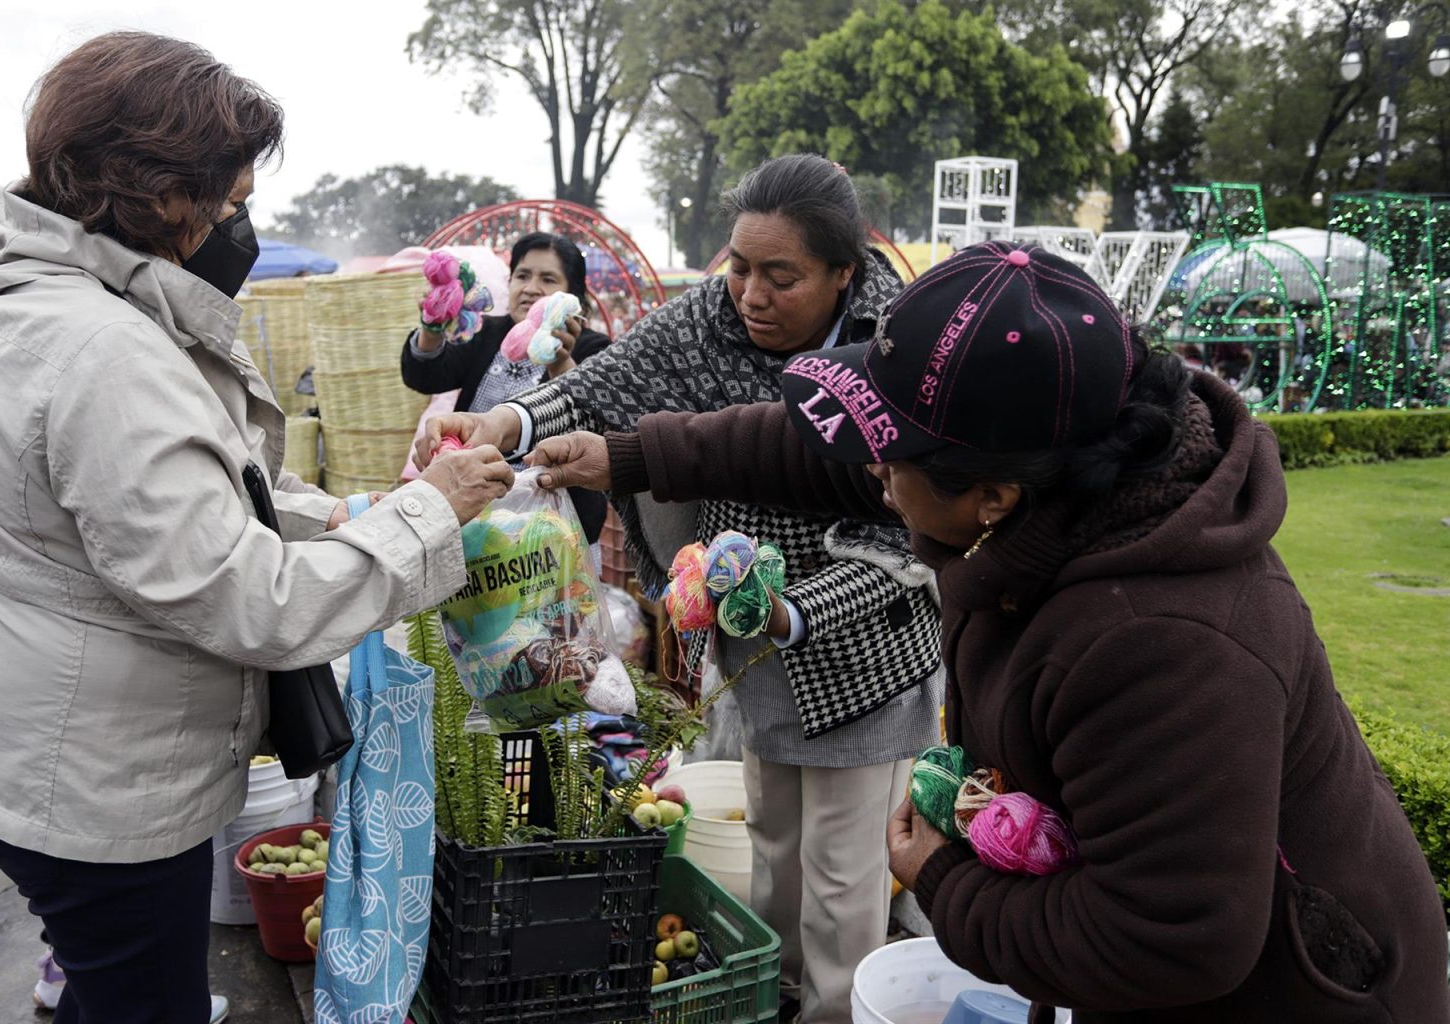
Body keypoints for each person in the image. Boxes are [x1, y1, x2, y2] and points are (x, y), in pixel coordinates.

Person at [526, 241, 1450, 1023]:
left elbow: (1168, 940)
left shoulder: (1165, 643)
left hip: (1309, 991)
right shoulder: (1026, 481)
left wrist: (941, 879)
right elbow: (813, 450)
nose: (873, 469)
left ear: (995, 496)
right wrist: (631, 455)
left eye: (892, 452)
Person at [0, 32, 512, 1024]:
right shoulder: (98, 349)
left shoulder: (36, 305)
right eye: (232, 202)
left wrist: (341, 512)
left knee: (109, 995)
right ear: (164, 195)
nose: (239, 225)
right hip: (96, 791)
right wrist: (432, 512)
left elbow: (180, 486)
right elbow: (251, 600)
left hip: (51, 751)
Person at [416, 154, 945, 1024]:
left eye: (783, 277)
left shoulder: (892, 352)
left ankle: (837, 1011)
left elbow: (909, 540)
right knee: (772, 838)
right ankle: (771, 996)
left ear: (844, 275)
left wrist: (792, 609)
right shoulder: (712, 314)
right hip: (748, 635)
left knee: (844, 874)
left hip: (860, 643)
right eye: (739, 267)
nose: (751, 294)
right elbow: (609, 383)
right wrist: (507, 419)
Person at [401, 233, 611, 544]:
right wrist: (432, 328)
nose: (530, 288)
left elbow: (595, 414)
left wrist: (559, 362)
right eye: (522, 275)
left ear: (571, 295)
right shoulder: (488, 330)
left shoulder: (591, 346)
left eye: (548, 279)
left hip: (553, 529)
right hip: (472, 515)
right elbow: (426, 377)